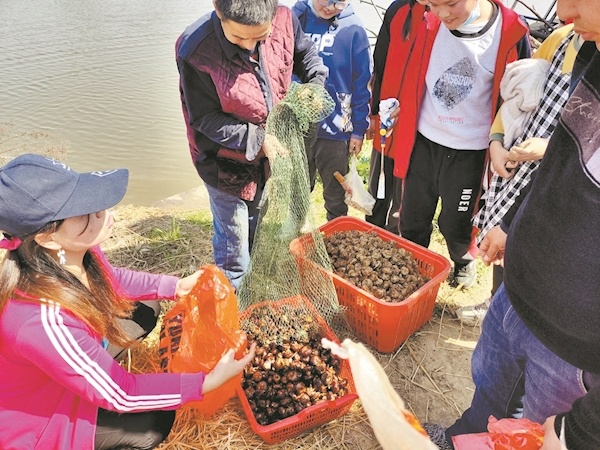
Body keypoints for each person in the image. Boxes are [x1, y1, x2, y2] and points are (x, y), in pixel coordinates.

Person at [425, 0, 600, 445]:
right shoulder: (591, 53)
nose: (562, 10)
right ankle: (465, 434)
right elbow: (562, 162)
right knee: (489, 390)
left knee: (530, 433)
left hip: (574, 345)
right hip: (519, 293)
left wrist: (580, 431)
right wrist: (511, 224)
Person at [0, 154, 256, 450]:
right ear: (47, 238)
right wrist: (204, 382)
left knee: (146, 310)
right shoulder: (43, 322)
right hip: (48, 415)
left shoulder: (69, 253)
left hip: (71, 360)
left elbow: (112, 280)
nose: (104, 214)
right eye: (85, 214)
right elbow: (122, 393)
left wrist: (174, 287)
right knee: (153, 424)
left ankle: (91, 368)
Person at [176, 0, 328, 290]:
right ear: (218, 11)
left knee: (257, 219)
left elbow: (307, 56)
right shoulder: (196, 50)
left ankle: (254, 280)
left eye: (259, 37)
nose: (248, 46)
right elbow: (205, 118)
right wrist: (259, 140)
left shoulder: (285, 19)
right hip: (222, 163)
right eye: (238, 37)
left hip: (266, 159)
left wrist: (315, 85)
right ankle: (235, 294)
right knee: (233, 242)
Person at [382, 0, 530, 289]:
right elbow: (407, 67)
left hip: (469, 150)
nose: (443, 13)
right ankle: (411, 263)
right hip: (424, 140)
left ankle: (462, 259)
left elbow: (515, 97)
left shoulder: (509, 31)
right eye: (434, 4)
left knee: (456, 219)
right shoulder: (425, 20)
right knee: (413, 213)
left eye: (451, 3)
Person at [456, 23, 580, 326]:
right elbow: (519, 97)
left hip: (560, 172)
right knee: (503, 240)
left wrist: (549, 146)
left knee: (535, 251)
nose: (567, 14)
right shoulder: (563, 39)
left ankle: (519, 318)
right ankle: (496, 302)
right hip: (518, 162)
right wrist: (497, 142)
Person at [291, 0, 371, 221]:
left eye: (340, 3)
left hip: (336, 131)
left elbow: (362, 84)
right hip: (299, 126)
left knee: (336, 197)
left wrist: (358, 130)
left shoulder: (353, 29)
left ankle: (334, 239)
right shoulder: (294, 19)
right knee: (296, 191)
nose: (331, 7)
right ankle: (292, 235)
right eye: (326, 0)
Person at [366, 0, 428, 233]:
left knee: (405, 197)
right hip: (386, 116)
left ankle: (396, 238)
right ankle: (371, 233)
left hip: (418, 125)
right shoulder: (397, 9)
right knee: (378, 184)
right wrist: (373, 112)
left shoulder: (444, 14)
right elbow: (379, 64)